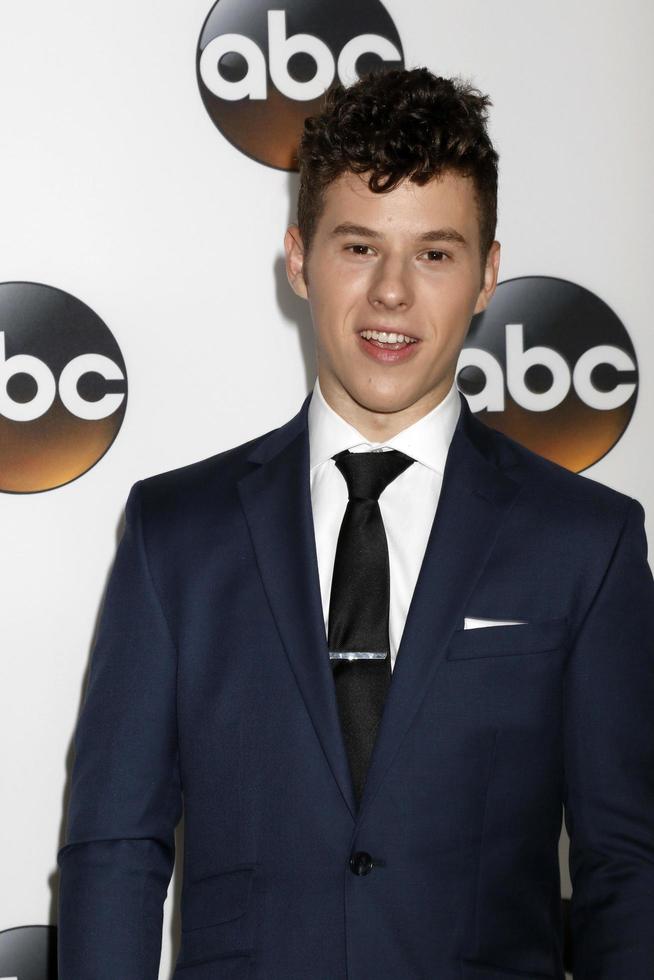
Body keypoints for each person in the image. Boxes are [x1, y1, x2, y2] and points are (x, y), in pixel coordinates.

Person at [57, 67, 654, 980]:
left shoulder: (588, 543)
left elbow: (628, 869)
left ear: (489, 274)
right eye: (358, 247)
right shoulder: (174, 534)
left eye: (436, 253)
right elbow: (112, 852)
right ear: (299, 259)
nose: (392, 293)